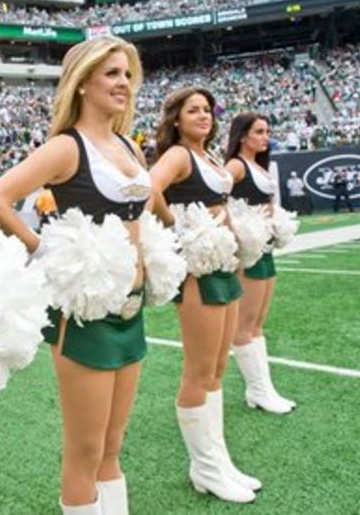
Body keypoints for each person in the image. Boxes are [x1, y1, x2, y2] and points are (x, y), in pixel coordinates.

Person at [0, 36, 149, 515]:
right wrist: (44, 248)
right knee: (85, 451)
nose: (123, 83)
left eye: (127, 74)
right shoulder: (65, 147)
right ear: (83, 83)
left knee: (114, 445)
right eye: (112, 73)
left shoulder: (125, 145)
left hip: (132, 310)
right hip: (87, 314)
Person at [147, 87, 259, 503]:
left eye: (207, 110)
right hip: (197, 268)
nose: (203, 116)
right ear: (175, 118)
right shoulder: (177, 155)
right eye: (193, 110)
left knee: (216, 370)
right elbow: (149, 190)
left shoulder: (211, 156)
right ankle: (207, 468)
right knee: (199, 371)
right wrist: (178, 226)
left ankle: (217, 462)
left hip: (223, 263)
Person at [226, 113, 296, 415]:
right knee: (245, 324)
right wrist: (239, 233)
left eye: (267, 131)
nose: (265, 136)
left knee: (257, 323)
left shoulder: (259, 166)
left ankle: (262, 388)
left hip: (265, 249)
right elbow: (217, 200)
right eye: (259, 131)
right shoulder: (236, 166)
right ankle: (257, 389)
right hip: (249, 252)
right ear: (242, 135)